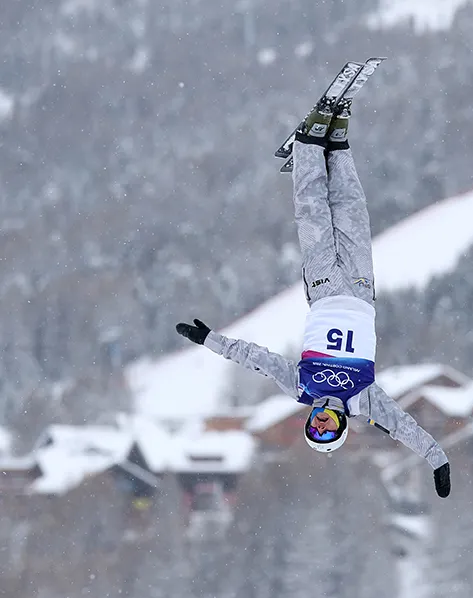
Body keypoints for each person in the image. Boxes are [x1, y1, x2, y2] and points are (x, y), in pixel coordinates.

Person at [175, 98, 451, 498]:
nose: (321, 423)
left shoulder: (301, 387)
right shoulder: (364, 401)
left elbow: (257, 359)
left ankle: (309, 147)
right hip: (360, 290)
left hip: (323, 289)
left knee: (314, 217)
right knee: (352, 212)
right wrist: (438, 459)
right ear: (340, 427)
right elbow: (405, 428)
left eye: (314, 428)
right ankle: (337, 147)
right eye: (327, 430)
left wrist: (210, 340)